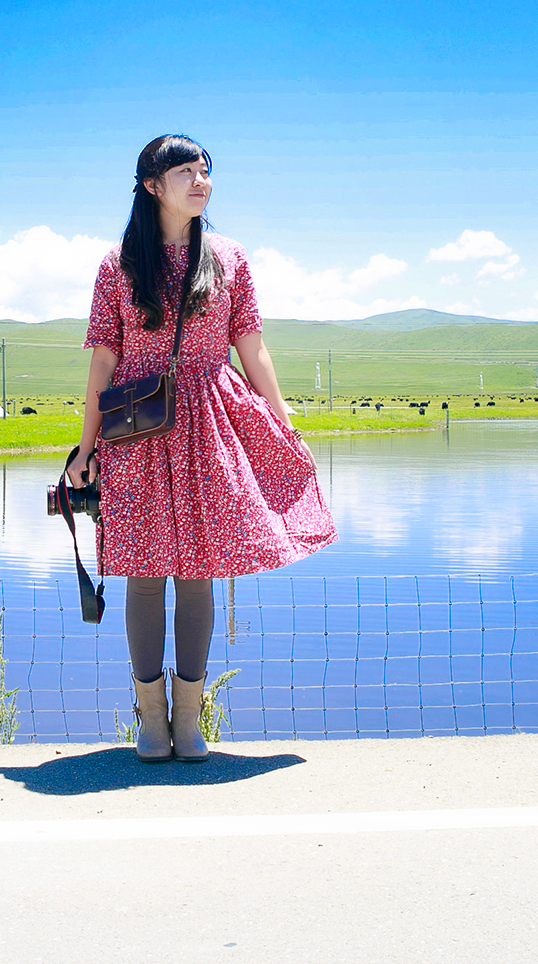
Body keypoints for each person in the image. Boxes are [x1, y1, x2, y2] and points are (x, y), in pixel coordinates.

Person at [68, 134, 337, 762]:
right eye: (186, 171)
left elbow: (252, 347)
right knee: (142, 575)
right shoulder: (117, 265)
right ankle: (151, 721)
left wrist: (282, 422)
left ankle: (188, 720)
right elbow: (104, 360)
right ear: (152, 186)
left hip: (212, 424)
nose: (201, 181)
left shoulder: (230, 257)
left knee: (197, 574)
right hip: (137, 430)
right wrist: (85, 448)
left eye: (205, 170)